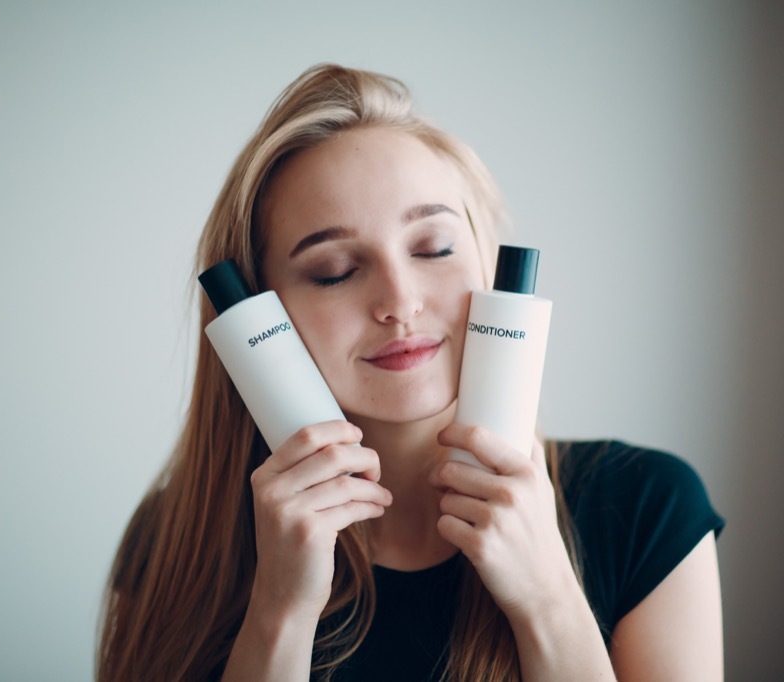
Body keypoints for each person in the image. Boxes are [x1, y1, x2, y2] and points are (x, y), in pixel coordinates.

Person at [96, 63, 725, 682]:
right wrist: (280, 616)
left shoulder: (648, 508)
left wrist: (550, 604)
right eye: (336, 269)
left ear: (485, 262)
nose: (400, 300)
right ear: (262, 317)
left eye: (433, 248)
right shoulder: (169, 547)